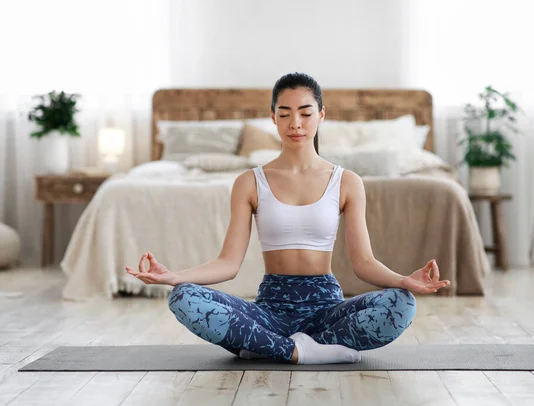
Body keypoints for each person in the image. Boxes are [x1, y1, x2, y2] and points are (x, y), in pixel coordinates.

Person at [125, 72, 450, 364]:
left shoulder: (347, 181)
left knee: (401, 304)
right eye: (285, 113)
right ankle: (302, 351)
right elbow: (228, 263)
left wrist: (404, 280)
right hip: (268, 310)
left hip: (326, 311)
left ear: (320, 115)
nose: (296, 123)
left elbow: (363, 262)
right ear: (273, 118)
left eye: (306, 113)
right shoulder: (249, 182)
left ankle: (267, 348)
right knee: (183, 297)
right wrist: (174, 277)